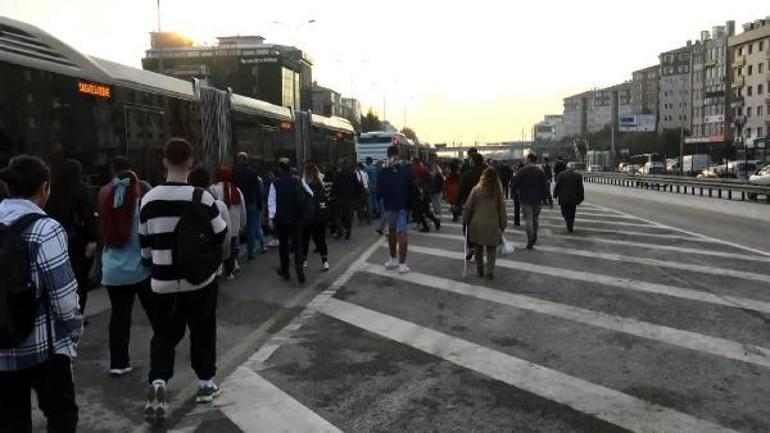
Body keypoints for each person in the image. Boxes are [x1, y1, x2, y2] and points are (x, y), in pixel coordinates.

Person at [139, 138, 228, 423]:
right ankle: (205, 384)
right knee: (203, 331)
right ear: (191, 162)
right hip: (199, 283)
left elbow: (145, 250)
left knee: (163, 337)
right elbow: (221, 233)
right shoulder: (202, 197)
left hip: (162, 284)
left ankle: (158, 388)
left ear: (164, 161)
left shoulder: (148, 200)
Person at [0, 155, 83, 433]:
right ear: (44, 188)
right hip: (43, 349)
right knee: (62, 416)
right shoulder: (46, 229)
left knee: (11, 421)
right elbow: (65, 298)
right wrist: (72, 337)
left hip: (1, 348)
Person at [98, 169, 155, 377]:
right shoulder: (139, 208)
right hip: (138, 270)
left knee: (119, 317)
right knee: (156, 314)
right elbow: (146, 238)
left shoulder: (107, 208)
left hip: (112, 272)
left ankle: (118, 363)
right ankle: (163, 354)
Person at [46, 159, 98, 317]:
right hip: (77, 241)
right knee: (79, 279)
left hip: (54, 239)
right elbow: (88, 216)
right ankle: (77, 313)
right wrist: (92, 239)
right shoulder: (82, 190)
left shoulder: (52, 190)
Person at [268, 157, 313, 284]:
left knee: (283, 246)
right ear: (290, 167)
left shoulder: (275, 183)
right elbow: (310, 194)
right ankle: (300, 272)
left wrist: (271, 218)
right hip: (297, 218)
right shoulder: (298, 181)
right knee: (297, 245)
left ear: (280, 168)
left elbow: (272, 202)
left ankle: (286, 272)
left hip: (281, 219)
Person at [463, 167, 507, 280]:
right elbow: (502, 210)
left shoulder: (476, 190)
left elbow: (468, 207)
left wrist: (466, 220)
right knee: (492, 249)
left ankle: (480, 270)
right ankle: (490, 272)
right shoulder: (498, 192)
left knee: (478, 248)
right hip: (492, 224)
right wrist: (503, 225)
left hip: (476, 223)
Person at [189, 168, 233, 274]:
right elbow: (227, 235)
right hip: (212, 259)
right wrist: (224, 256)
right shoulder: (219, 205)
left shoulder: (184, 203)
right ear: (209, 183)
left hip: (188, 261)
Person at [377, 145, 413, 274]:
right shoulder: (406, 167)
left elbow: (379, 189)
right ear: (398, 153)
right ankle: (403, 265)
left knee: (391, 231)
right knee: (402, 233)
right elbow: (411, 185)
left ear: (387, 154)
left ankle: (393, 260)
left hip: (389, 205)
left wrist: (379, 200)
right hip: (403, 204)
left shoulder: (383, 168)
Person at [211, 167, 247, 279]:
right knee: (232, 248)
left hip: (219, 225)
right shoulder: (237, 190)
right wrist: (243, 223)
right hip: (235, 225)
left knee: (219, 247)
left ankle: (219, 269)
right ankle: (229, 272)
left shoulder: (213, 189)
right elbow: (243, 208)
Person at [233, 152, 266, 259]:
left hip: (237, 203)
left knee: (236, 227)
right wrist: (260, 204)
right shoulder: (253, 172)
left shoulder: (234, 172)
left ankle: (235, 255)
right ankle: (250, 253)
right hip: (251, 202)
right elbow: (257, 190)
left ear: (238, 160)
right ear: (247, 160)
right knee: (251, 228)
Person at [512, 153, 548, 250]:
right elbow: (545, 186)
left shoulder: (522, 171)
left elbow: (514, 184)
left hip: (525, 198)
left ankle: (529, 239)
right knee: (535, 219)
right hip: (537, 199)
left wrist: (513, 194)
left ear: (529, 159)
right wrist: (546, 199)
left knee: (528, 219)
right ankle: (535, 236)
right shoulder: (540, 172)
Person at [302, 163, 330, 271]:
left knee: (305, 239)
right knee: (320, 239)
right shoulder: (320, 184)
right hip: (320, 216)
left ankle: (304, 260)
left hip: (307, 216)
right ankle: (325, 261)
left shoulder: (304, 184)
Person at [459, 153, 486, 260]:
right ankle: (479, 247)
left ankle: (470, 247)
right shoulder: (489, 173)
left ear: (472, 161)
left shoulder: (467, 174)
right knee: (482, 227)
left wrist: (458, 204)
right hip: (485, 204)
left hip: (470, 204)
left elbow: (461, 190)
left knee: (467, 226)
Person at [330, 159, 360, 240]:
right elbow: (357, 186)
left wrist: (331, 195)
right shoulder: (353, 174)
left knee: (336, 215)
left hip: (340, 198)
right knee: (349, 215)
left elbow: (334, 187)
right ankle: (348, 232)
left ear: (340, 165)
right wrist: (357, 196)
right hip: (350, 198)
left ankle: (340, 230)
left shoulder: (338, 175)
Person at [553, 162, 585, 233]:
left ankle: (568, 221)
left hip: (563, 198)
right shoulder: (578, 176)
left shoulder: (561, 175)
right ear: (574, 168)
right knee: (572, 212)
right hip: (573, 198)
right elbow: (580, 188)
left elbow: (557, 186)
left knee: (564, 212)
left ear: (566, 168)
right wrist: (581, 198)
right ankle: (570, 222)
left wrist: (555, 195)